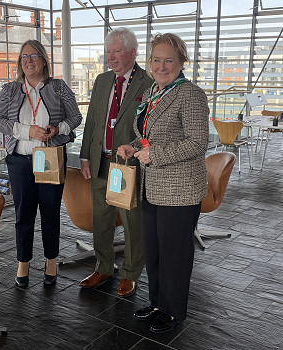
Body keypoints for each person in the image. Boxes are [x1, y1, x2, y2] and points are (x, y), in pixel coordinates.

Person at [117, 33, 209, 332]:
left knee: (175, 256)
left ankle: (173, 311)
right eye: (156, 60)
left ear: (182, 62)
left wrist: (154, 154)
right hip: (151, 187)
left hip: (180, 191)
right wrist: (133, 146)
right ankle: (157, 303)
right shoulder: (153, 93)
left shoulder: (190, 94)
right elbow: (148, 135)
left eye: (169, 60)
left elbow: (197, 143)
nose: (161, 66)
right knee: (154, 252)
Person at [0, 39, 82, 288]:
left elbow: (75, 116)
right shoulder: (10, 90)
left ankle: (50, 261)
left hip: (50, 159)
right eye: (24, 57)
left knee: (51, 213)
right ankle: (23, 263)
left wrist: (58, 129)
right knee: (23, 215)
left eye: (34, 56)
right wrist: (26, 130)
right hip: (20, 161)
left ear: (44, 60)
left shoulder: (58, 87)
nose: (28, 61)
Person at [79, 28, 153, 297]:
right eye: (108, 52)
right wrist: (85, 156)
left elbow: (148, 128)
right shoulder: (101, 81)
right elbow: (93, 122)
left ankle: (131, 273)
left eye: (117, 51)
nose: (111, 57)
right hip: (100, 161)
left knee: (133, 222)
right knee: (101, 218)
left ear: (133, 53)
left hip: (128, 164)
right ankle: (104, 267)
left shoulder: (148, 83)